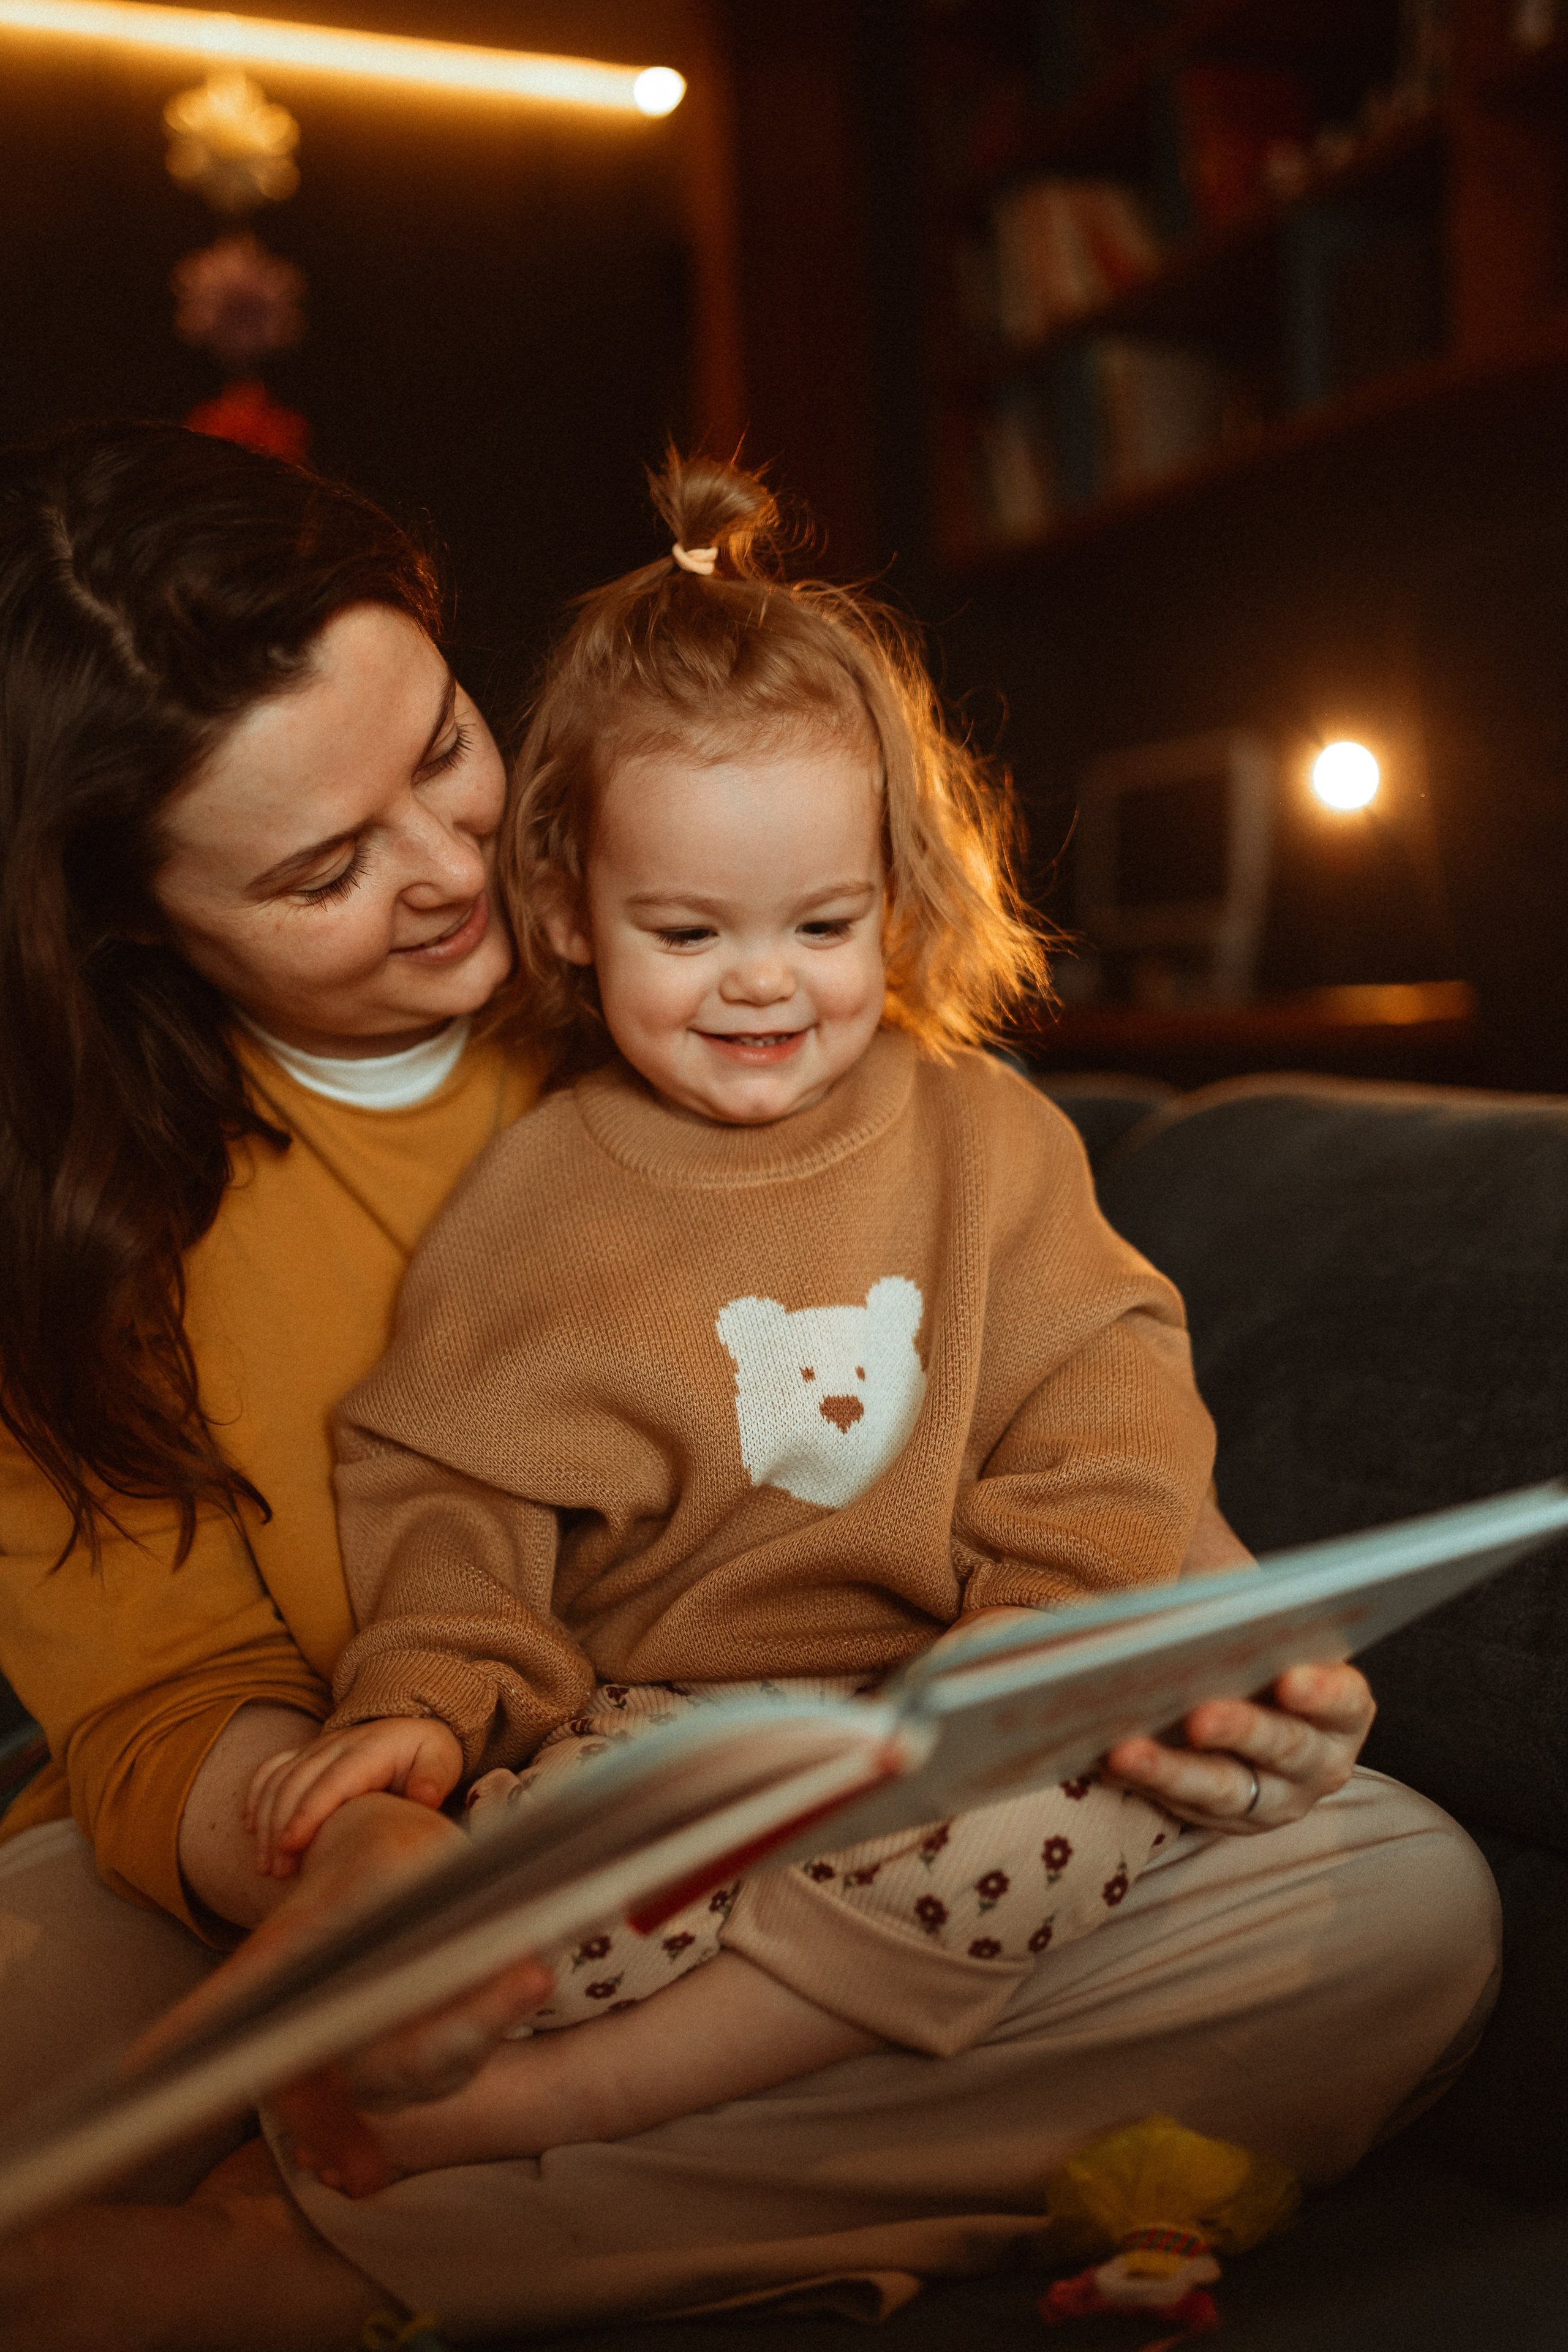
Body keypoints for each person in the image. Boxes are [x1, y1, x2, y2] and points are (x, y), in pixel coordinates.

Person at [0, 426, 1495, 2352]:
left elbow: (1075, 1420)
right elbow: (162, 1707)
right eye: (325, 868)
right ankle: (457, 2170)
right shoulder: (79, 1233)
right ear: (123, 913)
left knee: (1395, 1909)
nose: (461, 871)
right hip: (393, 1830)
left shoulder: (767, 967)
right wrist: (356, 1838)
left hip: (881, 1792)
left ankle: (350, 2246)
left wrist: (1225, 1666)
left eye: (448, 752)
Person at [244, 448, 1225, 2188]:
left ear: (899, 899)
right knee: (492, 1926)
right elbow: (449, 1485)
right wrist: (426, 1690)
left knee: (1141, 1789)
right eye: (688, 931)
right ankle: (501, 2103)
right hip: (667, 1728)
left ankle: (582, 2115)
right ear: (566, 910)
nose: (764, 980)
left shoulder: (990, 1139)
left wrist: (1049, 1629)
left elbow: (1107, 1393)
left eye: (824, 924)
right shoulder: (540, 1195)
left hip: (951, 1705)